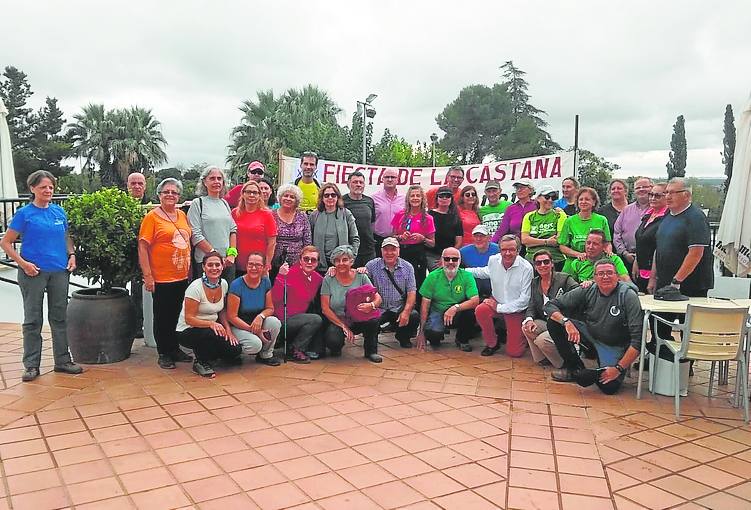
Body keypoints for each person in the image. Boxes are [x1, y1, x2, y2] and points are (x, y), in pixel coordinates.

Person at [0, 170, 83, 382]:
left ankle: (63, 361)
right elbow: (6, 243)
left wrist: (71, 255)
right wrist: (23, 264)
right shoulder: (24, 214)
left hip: (58, 271)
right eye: (43, 187)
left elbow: (66, 237)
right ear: (32, 189)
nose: (47, 190)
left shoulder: (58, 212)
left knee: (59, 317)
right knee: (32, 320)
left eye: (51, 187)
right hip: (32, 272)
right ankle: (31, 365)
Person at [545, 259, 642, 395]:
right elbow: (550, 305)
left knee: (609, 388)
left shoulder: (628, 296)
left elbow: (637, 342)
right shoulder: (589, 289)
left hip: (614, 345)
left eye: (609, 273)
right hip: (590, 333)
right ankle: (575, 368)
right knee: (554, 322)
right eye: (601, 274)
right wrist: (566, 322)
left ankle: (595, 372)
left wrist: (618, 368)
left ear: (617, 276)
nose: (605, 277)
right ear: (594, 277)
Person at [138, 178, 194, 369]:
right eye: (166, 192)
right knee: (162, 315)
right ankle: (164, 352)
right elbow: (143, 247)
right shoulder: (152, 218)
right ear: (159, 195)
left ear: (179, 196)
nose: (170, 195)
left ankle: (174, 348)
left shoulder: (181, 215)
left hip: (181, 275)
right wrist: (147, 275)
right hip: (161, 276)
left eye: (174, 192)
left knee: (176, 314)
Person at [175, 252, 242, 378]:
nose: (214, 268)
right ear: (203, 267)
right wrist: (211, 324)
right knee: (209, 333)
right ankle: (200, 362)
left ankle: (212, 355)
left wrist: (228, 330)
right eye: (210, 265)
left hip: (212, 328)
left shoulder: (224, 284)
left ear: (222, 267)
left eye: (217, 265)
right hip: (188, 330)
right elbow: (189, 319)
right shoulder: (195, 287)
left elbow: (221, 310)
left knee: (235, 350)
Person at [468, 235, 534, 357]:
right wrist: (461, 271)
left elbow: (525, 300)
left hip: (516, 310)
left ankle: (521, 337)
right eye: (504, 250)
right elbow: (484, 272)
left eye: (512, 250)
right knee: (481, 310)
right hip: (496, 301)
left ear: (518, 250)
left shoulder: (526, 268)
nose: (507, 253)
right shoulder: (493, 260)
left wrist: (499, 307)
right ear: (499, 250)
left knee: (515, 353)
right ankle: (492, 343)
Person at [651, 177, 714, 297]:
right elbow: (659, 248)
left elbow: (696, 253)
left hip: (688, 285)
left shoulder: (696, 218)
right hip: (665, 284)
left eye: (672, 192)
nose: (668, 196)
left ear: (687, 195)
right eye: (666, 192)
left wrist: (676, 282)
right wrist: (653, 278)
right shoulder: (667, 215)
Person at [319, 245, 383, 362]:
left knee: (373, 320)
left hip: (359, 318)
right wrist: (343, 326)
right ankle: (336, 347)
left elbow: (377, 297)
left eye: (345, 260)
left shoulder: (361, 276)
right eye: (337, 260)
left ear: (351, 261)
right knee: (333, 340)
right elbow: (325, 308)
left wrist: (371, 305)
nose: (341, 263)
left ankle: (371, 351)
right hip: (339, 320)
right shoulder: (328, 279)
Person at [416, 247, 479, 351]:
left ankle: (462, 339)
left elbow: (475, 300)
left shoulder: (467, 276)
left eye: (454, 259)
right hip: (438, 312)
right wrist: (421, 332)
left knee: (471, 312)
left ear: (460, 261)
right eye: (447, 259)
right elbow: (424, 305)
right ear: (441, 260)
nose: (450, 262)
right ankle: (437, 335)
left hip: (457, 312)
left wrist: (455, 308)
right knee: (433, 335)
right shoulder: (432, 276)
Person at [522, 250, 577, 368]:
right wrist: (529, 319)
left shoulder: (564, 279)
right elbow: (531, 305)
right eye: (538, 263)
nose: (542, 265)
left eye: (546, 262)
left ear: (552, 263)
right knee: (526, 327)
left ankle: (564, 364)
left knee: (542, 340)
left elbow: (578, 292)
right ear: (535, 266)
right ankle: (543, 358)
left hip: (562, 323)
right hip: (546, 321)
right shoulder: (535, 282)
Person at [226, 252, 282, 366]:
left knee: (274, 322)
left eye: (258, 265)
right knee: (255, 344)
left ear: (263, 267)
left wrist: (260, 317)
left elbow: (270, 308)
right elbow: (231, 317)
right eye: (251, 264)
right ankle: (231, 353)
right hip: (238, 325)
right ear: (246, 266)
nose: (254, 268)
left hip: (256, 321)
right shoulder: (236, 285)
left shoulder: (266, 281)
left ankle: (266, 354)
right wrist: (255, 330)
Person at [271, 245, 323, 363]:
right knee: (315, 319)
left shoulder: (318, 278)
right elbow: (275, 298)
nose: (309, 262)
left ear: (317, 263)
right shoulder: (289, 273)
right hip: (282, 319)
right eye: (306, 259)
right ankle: (295, 350)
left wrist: (333, 270)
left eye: (313, 260)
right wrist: (280, 276)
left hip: (299, 319)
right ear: (300, 260)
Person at [366, 238, 419, 348]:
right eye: (386, 250)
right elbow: (360, 280)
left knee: (413, 315)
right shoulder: (371, 265)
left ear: (398, 251)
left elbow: (411, 292)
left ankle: (403, 337)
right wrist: (360, 270)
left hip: (398, 307)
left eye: (393, 249)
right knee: (371, 321)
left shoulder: (408, 267)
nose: (389, 253)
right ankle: (371, 345)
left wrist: (406, 311)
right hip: (379, 308)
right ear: (381, 251)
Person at [188, 165, 238, 282]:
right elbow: (195, 234)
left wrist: (232, 254)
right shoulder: (197, 203)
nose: (216, 182)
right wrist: (215, 255)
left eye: (219, 179)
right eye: (212, 178)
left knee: (227, 297)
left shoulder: (224, 203)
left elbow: (233, 230)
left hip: (227, 263)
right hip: (206, 262)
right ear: (205, 182)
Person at [391, 185, 435, 301]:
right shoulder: (400, 214)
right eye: (412, 196)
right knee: (400, 283)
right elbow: (392, 237)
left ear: (422, 199)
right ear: (408, 198)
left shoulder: (428, 218)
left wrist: (423, 239)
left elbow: (432, 243)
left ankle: (418, 312)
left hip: (418, 253)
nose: (415, 198)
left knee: (418, 283)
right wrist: (400, 237)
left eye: (418, 196)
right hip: (402, 252)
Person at [309, 183, 360, 274]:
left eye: (333, 195)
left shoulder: (346, 214)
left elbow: (355, 238)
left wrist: (350, 257)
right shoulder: (314, 216)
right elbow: (309, 240)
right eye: (326, 195)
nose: (330, 197)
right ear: (322, 198)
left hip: (341, 264)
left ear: (338, 197)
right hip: (319, 266)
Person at [232, 180, 277, 275]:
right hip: (238, 264)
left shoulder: (267, 214)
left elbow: (272, 242)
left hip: (258, 265)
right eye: (248, 192)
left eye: (255, 192)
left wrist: (267, 263)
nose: (251, 195)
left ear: (259, 195)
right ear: (243, 194)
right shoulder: (235, 213)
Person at [521, 185, 567, 271]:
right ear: (538, 198)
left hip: (555, 259)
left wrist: (534, 241)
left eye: (553, 197)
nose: (550, 200)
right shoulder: (529, 216)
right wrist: (547, 241)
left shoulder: (560, 215)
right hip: (532, 259)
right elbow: (524, 240)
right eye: (547, 197)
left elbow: (559, 239)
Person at [558, 187, 611, 260]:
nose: (583, 202)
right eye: (581, 199)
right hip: (574, 261)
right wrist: (578, 254)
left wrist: (609, 252)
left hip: (596, 261)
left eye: (587, 199)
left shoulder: (602, 220)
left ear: (594, 202)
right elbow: (562, 247)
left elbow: (607, 243)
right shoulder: (569, 221)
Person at [127, 172, 150, 339]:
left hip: (143, 256)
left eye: (139, 183)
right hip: (122, 255)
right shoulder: (119, 205)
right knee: (119, 289)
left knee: (138, 292)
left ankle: (138, 325)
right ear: (127, 186)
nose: (136, 186)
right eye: (133, 183)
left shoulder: (151, 205)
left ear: (145, 186)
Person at [633, 183, 668, 293]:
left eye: (657, 196)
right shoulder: (648, 215)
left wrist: (653, 278)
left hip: (655, 273)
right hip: (641, 269)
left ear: (666, 196)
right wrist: (636, 261)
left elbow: (659, 249)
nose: (653, 198)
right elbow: (641, 241)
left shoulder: (667, 218)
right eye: (651, 194)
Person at [614, 177, 652, 272]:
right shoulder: (626, 210)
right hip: (627, 260)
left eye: (645, 187)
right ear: (634, 191)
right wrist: (624, 253)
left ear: (652, 188)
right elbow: (617, 233)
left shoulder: (658, 210)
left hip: (650, 261)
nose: (641, 189)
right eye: (638, 188)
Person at [561, 230, 630, 283]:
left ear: (604, 247)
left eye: (595, 244)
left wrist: (593, 282)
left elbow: (626, 280)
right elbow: (566, 285)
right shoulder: (577, 263)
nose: (590, 247)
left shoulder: (614, 260)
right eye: (588, 243)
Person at [271, 183, 312, 271]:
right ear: (280, 198)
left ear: (296, 201)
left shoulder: (302, 216)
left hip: (297, 264)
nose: (288, 199)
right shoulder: (271, 215)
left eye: (292, 197)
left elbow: (307, 241)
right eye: (286, 196)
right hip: (273, 262)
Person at [342, 171, 376, 267]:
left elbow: (372, 222)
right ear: (348, 184)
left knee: (369, 279)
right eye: (355, 182)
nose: (358, 185)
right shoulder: (341, 201)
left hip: (368, 249)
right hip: (349, 249)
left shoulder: (369, 201)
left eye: (361, 182)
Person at [427, 185, 463, 270]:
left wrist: (447, 257)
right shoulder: (429, 215)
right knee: (438, 274)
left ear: (451, 199)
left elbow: (459, 242)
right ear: (437, 199)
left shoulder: (456, 218)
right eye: (441, 196)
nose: (444, 198)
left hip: (450, 256)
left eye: (447, 196)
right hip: (431, 254)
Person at [459, 225, 499, 298]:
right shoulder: (463, 251)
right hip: (473, 291)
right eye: (475, 236)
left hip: (494, 290)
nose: (478, 239)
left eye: (482, 236)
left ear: (489, 238)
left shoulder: (498, 249)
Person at [491, 179, 536, 243]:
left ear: (530, 190)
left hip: (535, 243)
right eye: (517, 188)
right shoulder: (511, 208)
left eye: (522, 187)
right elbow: (502, 230)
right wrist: (492, 244)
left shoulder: (537, 205)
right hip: (516, 245)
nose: (519, 190)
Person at [372, 168, 405, 256]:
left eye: (393, 177)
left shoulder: (405, 199)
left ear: (398, 180)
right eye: (387, 177)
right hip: (378, 240)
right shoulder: (373, 198)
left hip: (398, 241)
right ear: (382, 179)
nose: (390, 179)